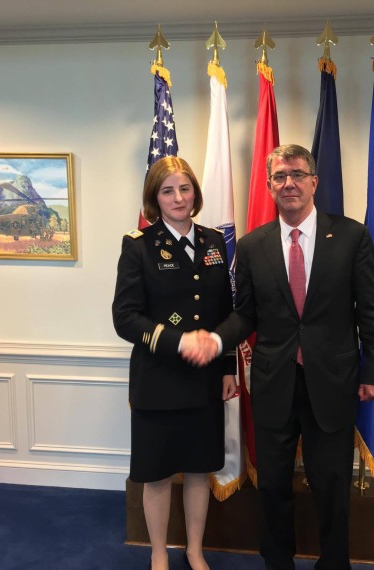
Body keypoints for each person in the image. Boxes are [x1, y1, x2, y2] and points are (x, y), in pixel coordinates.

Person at [186, 144, 374, 570]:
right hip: (273, 383)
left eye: (298, 174)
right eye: (280, 177)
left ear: (314, 182)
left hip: (332, 384)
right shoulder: (252, 245)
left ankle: (334, 564)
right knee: (274, 487)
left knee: (331, 485)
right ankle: (277, 563)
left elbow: (371, 311)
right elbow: (244, 315)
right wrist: (215, 339)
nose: (289, 183)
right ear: (269, 187)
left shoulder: (351, 236)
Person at [112, 156, 237, 570]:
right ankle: (159, 552)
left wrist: (227, 368)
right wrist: (177, 341)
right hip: (158, 379)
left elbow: (225, 312)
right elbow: (125, 318)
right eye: (168, 191)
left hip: (204, 380)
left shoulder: (214, 242)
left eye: (184, 188)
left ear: (195, 192)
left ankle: (195, 550)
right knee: (158, 473)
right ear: (155, 198)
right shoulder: (138, 246)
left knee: (200, 471)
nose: (178, 197)